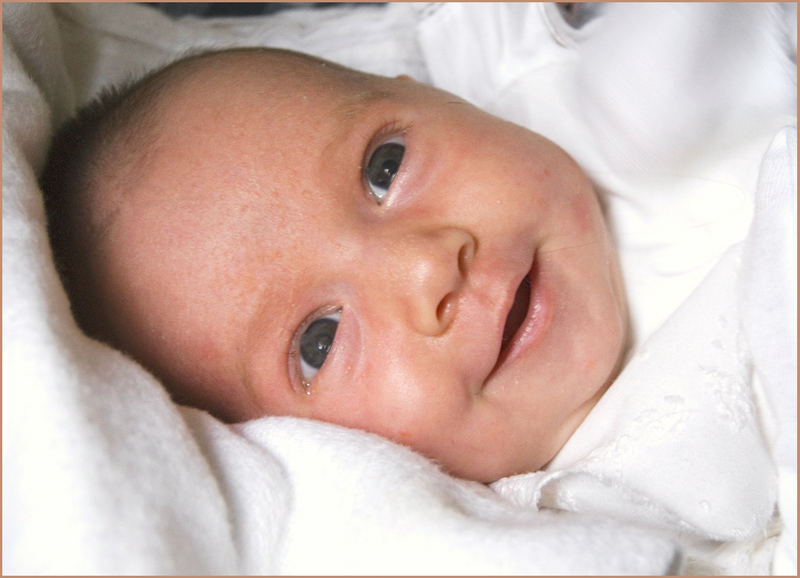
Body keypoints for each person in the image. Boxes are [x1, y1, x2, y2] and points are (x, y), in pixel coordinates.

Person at [40, 47, 628, 483]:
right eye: (319, 340)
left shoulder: (633, 73)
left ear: (430, 92)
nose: (425, 267)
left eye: (386, 168)